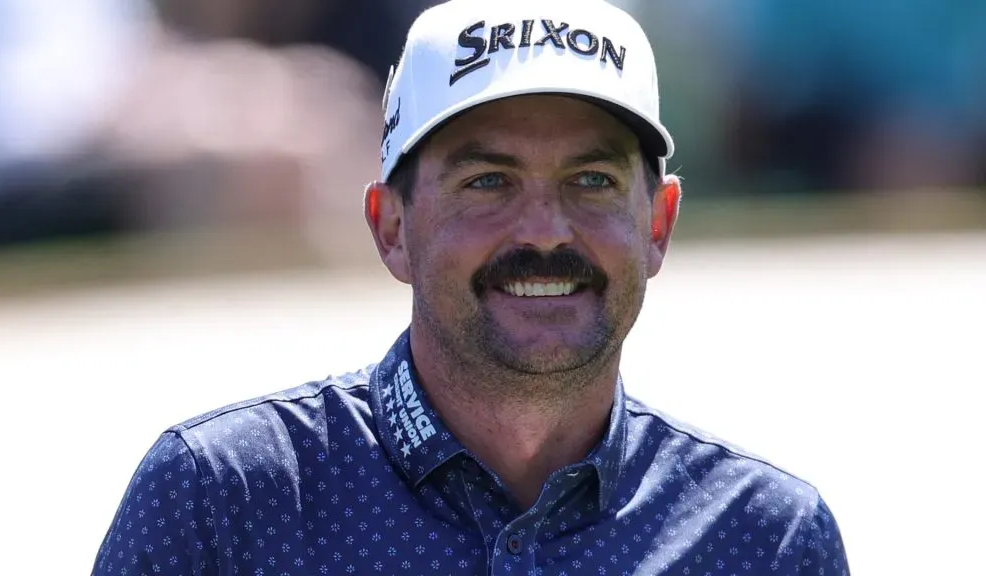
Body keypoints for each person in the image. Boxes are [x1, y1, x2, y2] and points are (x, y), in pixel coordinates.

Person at [91, 0, 851, 574]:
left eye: (592, 180)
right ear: (392, 227)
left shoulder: (766, 539)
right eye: (489, 182)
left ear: (658, 224)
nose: (546, 230)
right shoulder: (220, 503)